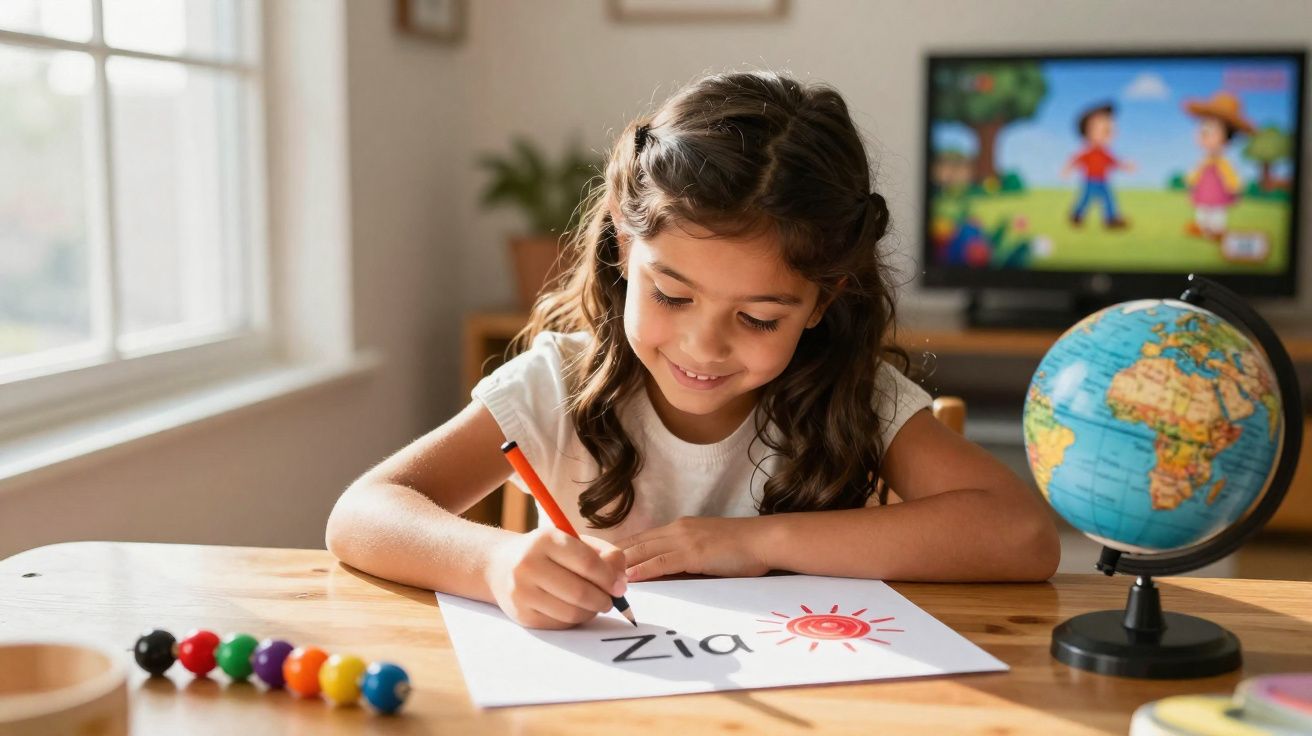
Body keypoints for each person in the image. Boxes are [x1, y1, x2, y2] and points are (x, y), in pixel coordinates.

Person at [326, 71, 1060, 630]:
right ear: (623, 242)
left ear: (822, 301)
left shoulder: (854, 394)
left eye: (760, 318)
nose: (702, 346)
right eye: (673, 297)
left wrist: (757, 543)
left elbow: (1023, 536)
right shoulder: (562, 383)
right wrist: (493, 563)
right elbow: (362, 513)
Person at [1183, 91, 1254, 241]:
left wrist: (1235, 187)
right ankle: (1202, 227)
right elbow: (1195, 174)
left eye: (1210, 131)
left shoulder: (1224, 162)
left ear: (1226, 138)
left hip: (1218, 192)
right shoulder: (1203, 161)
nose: (1203, 135)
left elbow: (1231, 176)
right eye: (1202, 130)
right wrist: (1190, 183)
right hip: (1203, 191)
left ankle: (1217, 230)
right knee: (1202, 210)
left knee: (1217, 211)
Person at [1062, 102, 1135, 229]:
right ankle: (1077, 215)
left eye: (1109, 129)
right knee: (1085, 199)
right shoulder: (1088, 152)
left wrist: (1125, 166)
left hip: (1102, 181)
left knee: (1108, 199)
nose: (1109, 131)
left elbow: (1114, 162)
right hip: (1090, 181)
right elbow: (1076, 160)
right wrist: (1067, 169)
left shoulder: (1105, 153)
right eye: (1103, 129)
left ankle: (1111, 219)